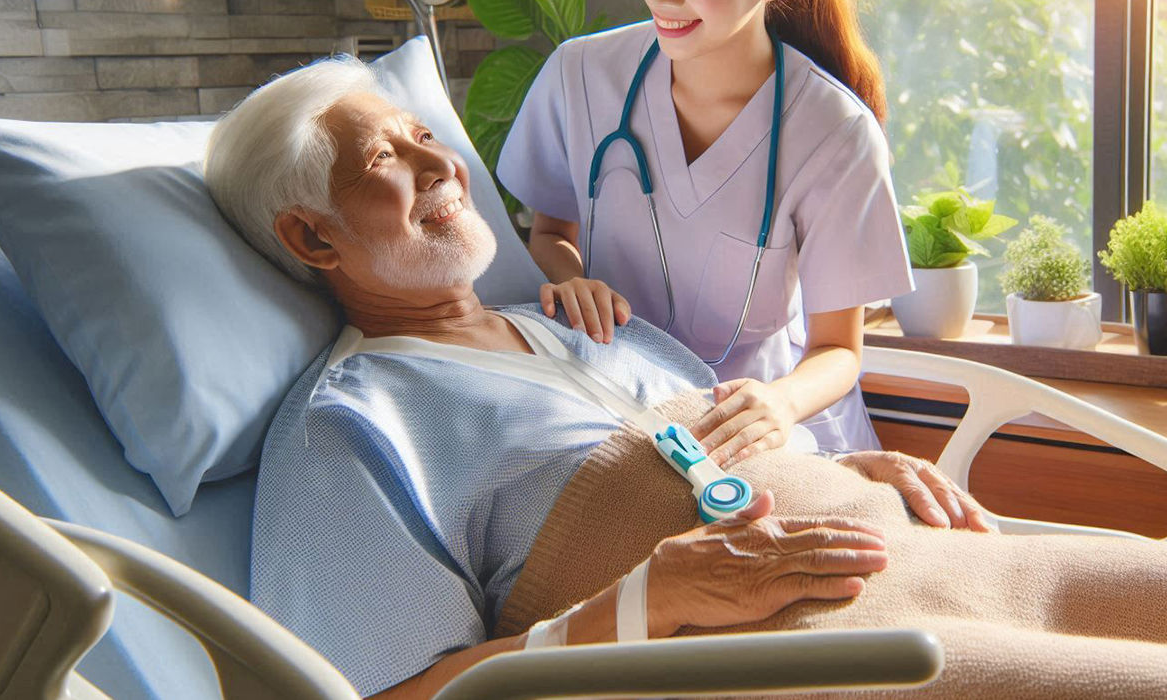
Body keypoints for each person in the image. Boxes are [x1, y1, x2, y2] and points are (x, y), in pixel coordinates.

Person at [204, 58, 995, 700]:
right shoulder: (349, 427)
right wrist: (649, 602)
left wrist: (852, 472)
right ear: (311, 237)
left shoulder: (577, 324)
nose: (441, 162)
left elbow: (714, 460)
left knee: (1121, 588)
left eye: (421, 136)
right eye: (385, 157)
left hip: (911, 559)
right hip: (816, 658)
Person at [496, 0, 912, 460]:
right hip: (620, 421)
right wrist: (570, 277)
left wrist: (778, 403)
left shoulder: (834, 135)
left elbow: (837, 350)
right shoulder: (579, 77)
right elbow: (549, 234)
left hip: (773, 439)